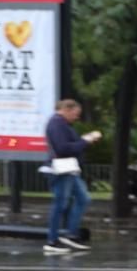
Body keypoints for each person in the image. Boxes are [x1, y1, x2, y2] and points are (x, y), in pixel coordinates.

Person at [42, 99, 101, 255]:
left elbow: (70, 144)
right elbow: (63, 148)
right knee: (60, 203)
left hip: (70, 169)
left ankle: (71, 234)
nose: (76, 118)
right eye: (75, 114)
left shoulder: (62, 125)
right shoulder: (56, 124)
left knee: (83, 198)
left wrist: (84, 140)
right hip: (61, 169)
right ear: (66, 110)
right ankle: (52, 240)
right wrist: (85, 141)